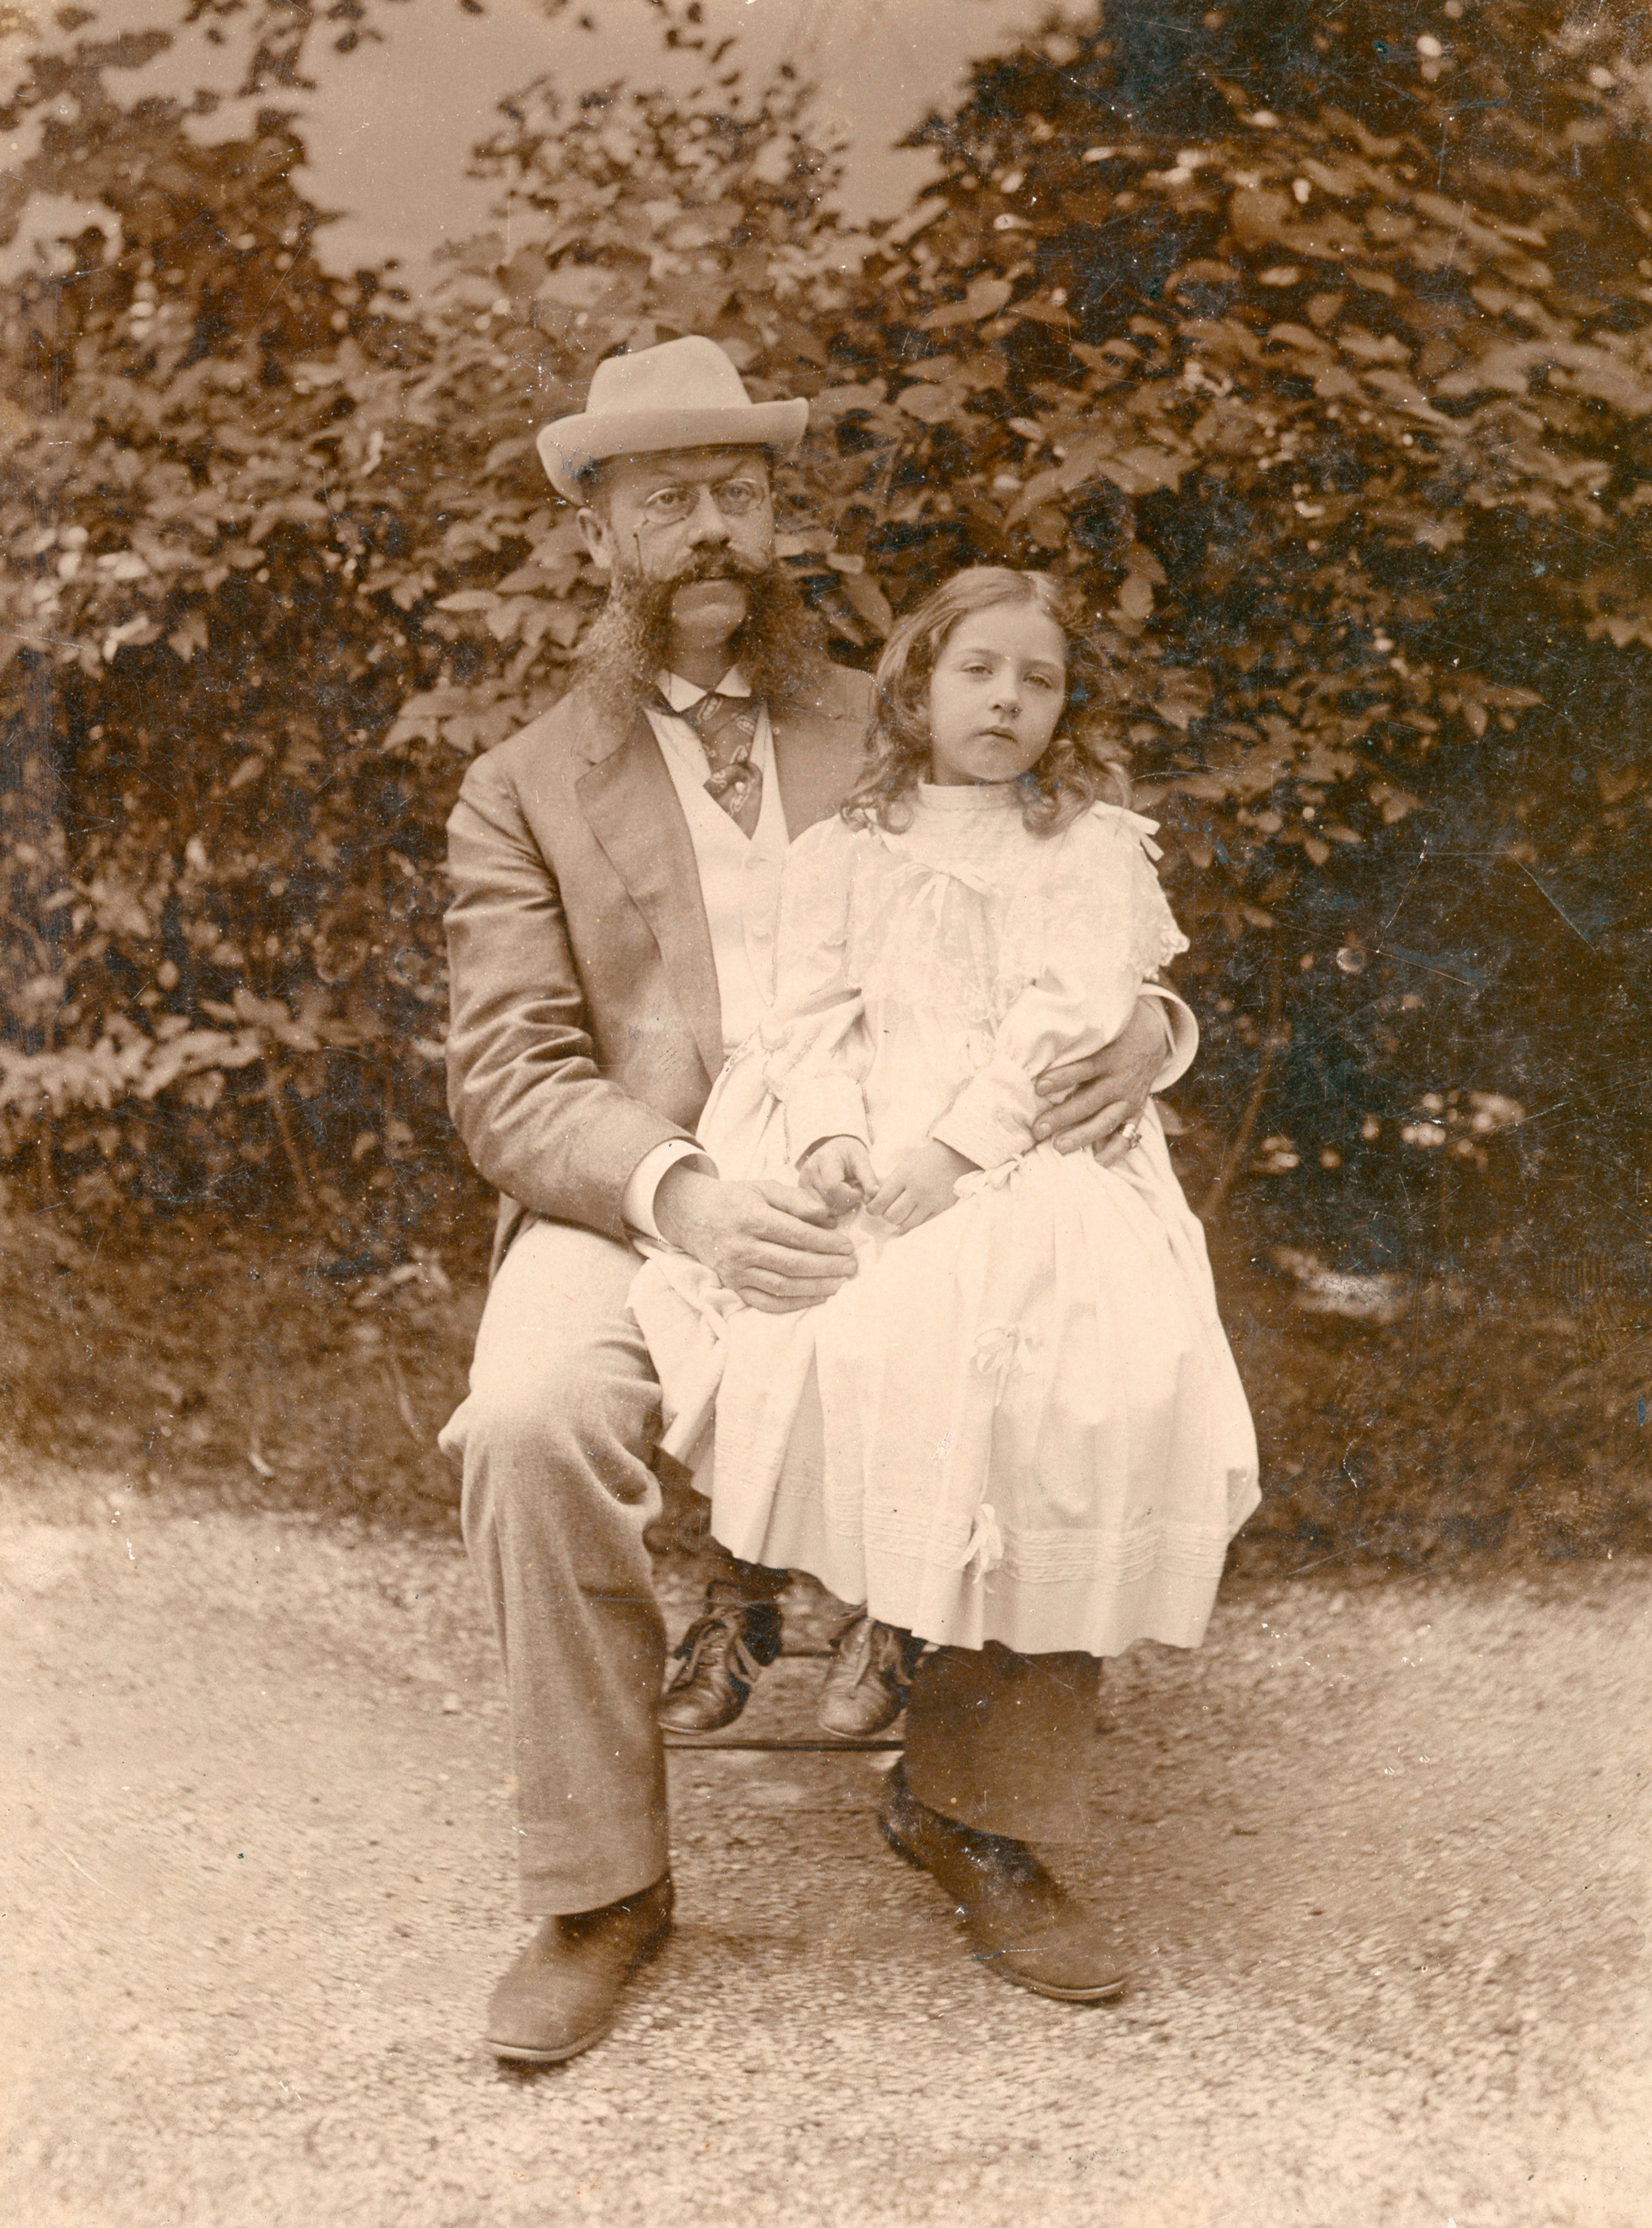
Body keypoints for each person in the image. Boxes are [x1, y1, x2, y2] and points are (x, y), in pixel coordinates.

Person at [438, 338, 1198, 2064]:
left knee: (1065, 1333)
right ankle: (603, 1887)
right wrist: (679, 1191)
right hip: (650, 1197)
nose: (711, 531)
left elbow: (1074, 901)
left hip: (906, 1172)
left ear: (777, 516)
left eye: (738, 493)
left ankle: (972, 1810)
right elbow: (510, 1078)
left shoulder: (907, 711)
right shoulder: (527, 787)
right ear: (598, 535)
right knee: (528, 1416)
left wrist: (1157, 1032)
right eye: (668, 500)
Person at [631, 566, 1259, 2000]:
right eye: (978, 671)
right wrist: (847, 1141)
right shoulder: (847, 846)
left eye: (1038, 682)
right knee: (831, 1316)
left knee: (1070, 1359)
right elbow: (804, 1020)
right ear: (913, 690)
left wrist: (947, 1154)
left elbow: (1068, 1019)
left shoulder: (1088, 847)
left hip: (1020, 1151)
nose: (1006, 701)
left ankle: (968, 1789)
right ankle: (840, 1597)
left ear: (1066, 710)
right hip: (869, 1146)